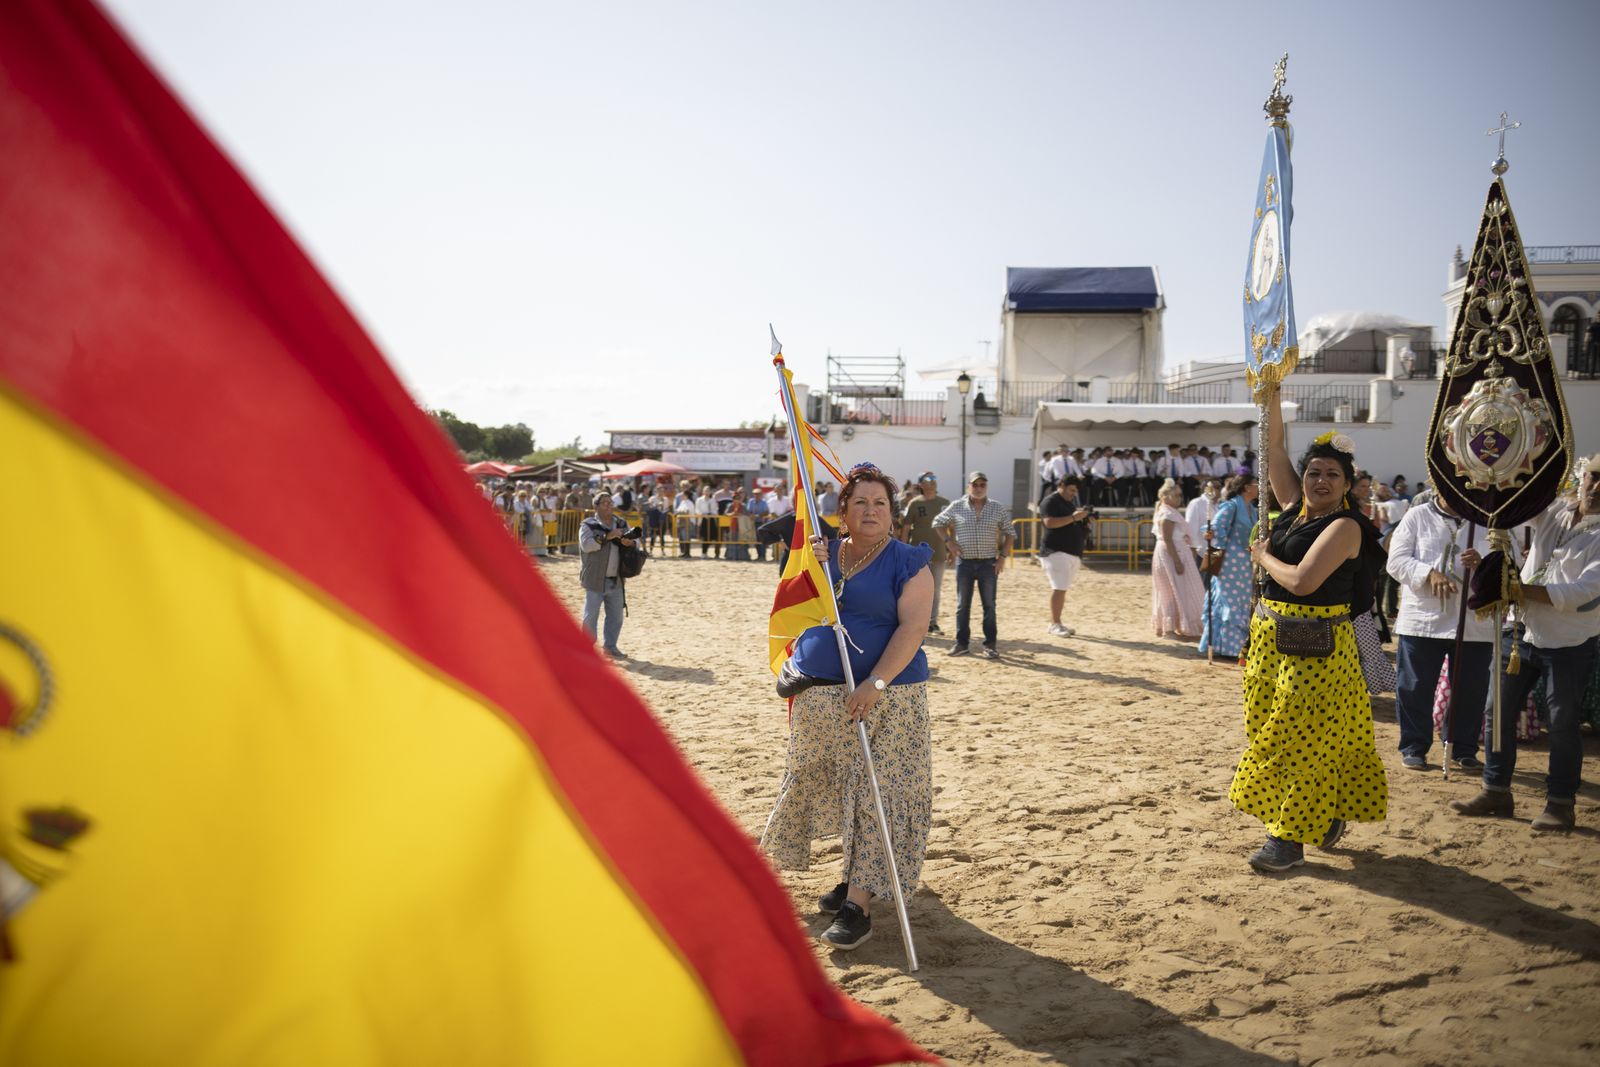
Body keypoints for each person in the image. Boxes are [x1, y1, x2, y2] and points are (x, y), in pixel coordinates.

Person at [760, 463, 934, 951]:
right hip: (825, 692)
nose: (870, 510)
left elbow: (912, 629)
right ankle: (855, 874)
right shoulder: (824, 556)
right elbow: (800, 604)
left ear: (893, 513)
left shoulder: (908, 561)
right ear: (843, 512)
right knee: (841, 789)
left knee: (884, 794)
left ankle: (859, 905)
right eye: (860, 502)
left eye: (880, 503)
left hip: (890, 696)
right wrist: (813, 561)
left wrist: (875, 682)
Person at [1229, 414, 1388, 872]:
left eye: (1332, 475)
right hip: (1268, 641)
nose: (1321, 480)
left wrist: (1262, 556)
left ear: (1347, 484)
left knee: (1294, 741)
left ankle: (1288, 838)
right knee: (1270, 729)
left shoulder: (1345, 527)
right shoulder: (1295, 509)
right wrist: (1271, 383)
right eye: (1314, 472)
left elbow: (1302, 581)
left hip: (1316, 645)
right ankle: (1327, 812)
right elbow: (1273, 445)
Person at [1450, 456, 1600, 832]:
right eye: (1594, 478)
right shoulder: (1555, 513)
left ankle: (1561, 803)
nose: (1596, 488)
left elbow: (1582, 592)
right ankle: (1496, 789)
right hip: (1519, 632)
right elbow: (1517, 502)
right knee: (1495, 712)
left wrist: (1515, 589)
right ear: (1582, 477)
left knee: (1563, 724)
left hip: (1568, 641)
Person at [1388, 494, 1493, 772]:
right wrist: (1428, 573)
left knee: (1471, 689)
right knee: (1414, 687)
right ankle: (1414, 746)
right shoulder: (1418, 515)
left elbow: (1511, 561)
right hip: (1423, 619)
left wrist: (1484, 566)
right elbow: (1396, 561)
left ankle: (1464, 748)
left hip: (1472, 621)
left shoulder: (1488, 517)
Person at [933, 471, 1015, 659]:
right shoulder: (957, 506)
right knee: (963, 605)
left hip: (989, 563)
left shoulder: (996, 507)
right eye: (975, 485)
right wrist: (949, 542)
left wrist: (1003, 556)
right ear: (968, 486)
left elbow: (1010, 532)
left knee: (989, 605)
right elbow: (938, 522)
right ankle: (962, 644)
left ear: (986, 487)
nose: (978, 488)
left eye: (982, 485)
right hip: (965, 563)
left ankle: (990, 645)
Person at [1198, 474, 1258, 659]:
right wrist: (1214, 536)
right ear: (1247, 487)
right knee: (1229, 602)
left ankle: (1233, 646)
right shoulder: (1231, 506)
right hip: (1229, 562)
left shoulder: (1252, 509)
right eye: (1257, 484)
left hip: (1244, 563)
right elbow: (1215, 527)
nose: (1259, 488)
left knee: (1240, 602)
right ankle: (1228, 648)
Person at [578, 491, 637, 659]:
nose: (609, 506)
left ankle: (610, 647)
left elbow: (636, 541)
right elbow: (587, 546)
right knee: (590, 616)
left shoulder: (620, 522)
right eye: (605, 503)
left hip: (616, 578)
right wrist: (607, 536)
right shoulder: (588, 524)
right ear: (595, 506)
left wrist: (630, 542)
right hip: (595, 578)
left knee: (616, 616)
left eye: (611, 502)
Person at [1151, 479, 1206, 639]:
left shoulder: (1168, 511)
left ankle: (1175, 626)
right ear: (1166, 496)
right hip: (1171, 553)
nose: (1179, 499)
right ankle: (1169, 629)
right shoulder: (1166, 514)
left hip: (1177, 551)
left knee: (1178, 589)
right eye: (1176, 496)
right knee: (1170, 589)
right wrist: (1176, 561)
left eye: (1180, 496)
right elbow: (1167, 539)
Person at [1039, 476, 1090, 637]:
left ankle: (1057, 622)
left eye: (1076, 491)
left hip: (1070, 552)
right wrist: (1075, 517)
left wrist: (1084, 522)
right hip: (1056, 551)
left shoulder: (1068, 503)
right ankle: (1054, 623)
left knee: (1062, 588)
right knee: (1059, 588)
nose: (1074, 494)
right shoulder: (1050, 501)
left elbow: (1071, 524)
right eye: (1071, 490)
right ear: (1061, 485)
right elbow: (1049, 522)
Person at [901, 472, 950, 633]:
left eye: (934, 479)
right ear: (921, 484)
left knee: (935, 588)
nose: (932, 482)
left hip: (939, 552)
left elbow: (952, 527)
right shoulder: (914, 503)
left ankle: (932, 622)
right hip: (919, 554)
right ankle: (915, 620)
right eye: (928, 479)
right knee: (916, 588)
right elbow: (906, 527)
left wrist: (952, 547)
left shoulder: (945, 503)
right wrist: (902, 549)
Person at [695, 485, 720, 558]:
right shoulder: (699, 500)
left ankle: (709, 552)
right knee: (705, 536)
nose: (707, 492)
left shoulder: (712, 500)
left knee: (712, 536)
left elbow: (715, 509)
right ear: (703, 492)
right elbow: (697, 509)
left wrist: (712, 514)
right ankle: (704, 553)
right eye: (705, 490)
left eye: (708, 491)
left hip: (711, 519)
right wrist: (703, 514)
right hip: (703, 519)